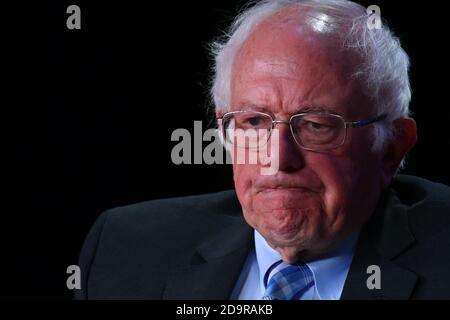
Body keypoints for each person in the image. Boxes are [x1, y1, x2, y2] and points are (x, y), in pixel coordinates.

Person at [75, 0, 450, 300]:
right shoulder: (127, 247)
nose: (278, 159)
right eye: (254, 123)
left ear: (393, 146)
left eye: (316, 125)